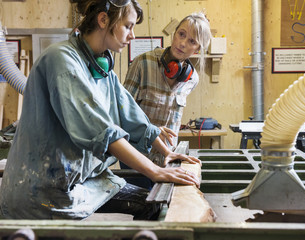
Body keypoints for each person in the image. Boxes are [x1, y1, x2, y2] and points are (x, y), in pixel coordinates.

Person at [0, 0, 200, 220]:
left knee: (152, 205)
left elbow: (132, 116)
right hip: (40, 191)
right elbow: (103, 133)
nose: (132, 35)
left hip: (78, 180)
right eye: (128, 26)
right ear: (103, 20)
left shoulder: (99, 66)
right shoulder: (62, 60)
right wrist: (156, 171)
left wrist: (167, 153)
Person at [123, 12, 211, 169]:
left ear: (197, 49)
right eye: (181, 34)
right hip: (136, 157)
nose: (183, 43)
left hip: (167, 159)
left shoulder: (192, 79)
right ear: (174, 33)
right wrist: (152, 130)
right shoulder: (142, 63)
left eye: (191, 41)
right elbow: (122, 113)